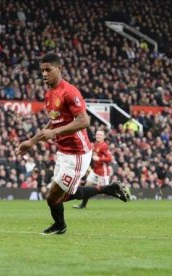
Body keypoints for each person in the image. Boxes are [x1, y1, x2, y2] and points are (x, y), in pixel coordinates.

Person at [16, 52, 130, 236]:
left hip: (77, 152)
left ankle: (60, 226)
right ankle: (108, 188)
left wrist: (54, 133)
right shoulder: (49, 94)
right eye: (42, 71)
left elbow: (85, 121)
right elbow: (54, 121)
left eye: (48, 70)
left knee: (52, 197)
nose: (44, 74)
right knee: (65, 195)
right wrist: (31, 142)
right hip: (63, 151)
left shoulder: (70, 91)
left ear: (59, 69)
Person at [73, 129, 113, 209]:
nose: (98, 136)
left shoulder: (104, 146)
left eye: (100, 135)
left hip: (102, 173)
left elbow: (110, 158)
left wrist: (99, 159)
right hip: (95, 172)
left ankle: (121, 191)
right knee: (87, 187)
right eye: (97, 134)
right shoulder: (95, 144)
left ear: (104, 137)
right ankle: (83, 205)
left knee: (106, 191)